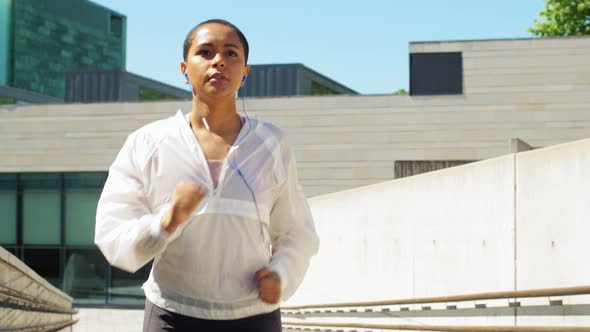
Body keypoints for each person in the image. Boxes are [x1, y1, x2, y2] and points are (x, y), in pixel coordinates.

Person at [95, 19, 319, 331]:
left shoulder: (272, 143)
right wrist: (166, 221)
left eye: (231, 53)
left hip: (254, 317)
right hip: (172, 314)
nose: (219, 61)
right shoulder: (147, 143)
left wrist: (281, 274)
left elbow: (296, 232)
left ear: (245, 73)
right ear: (184, 69)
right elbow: (112, 234)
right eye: (205, 52)